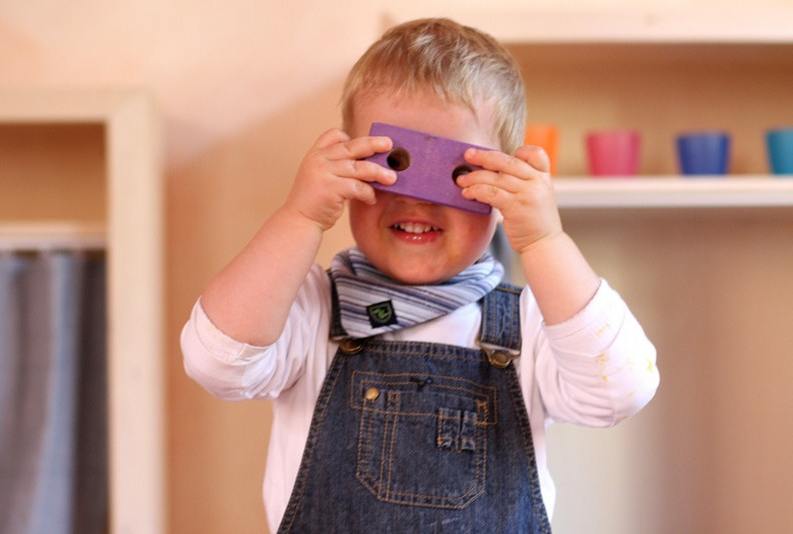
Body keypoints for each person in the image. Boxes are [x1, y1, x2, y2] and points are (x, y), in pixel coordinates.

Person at [181, 17, 659, 533]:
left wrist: (545, 242)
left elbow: (622, 389)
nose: (415, 196)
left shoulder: (530, 325)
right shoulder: (312, 312)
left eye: (456, 174)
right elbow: (218, 362)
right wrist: (299, 218)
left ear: (501, 192)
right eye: (394, 162)